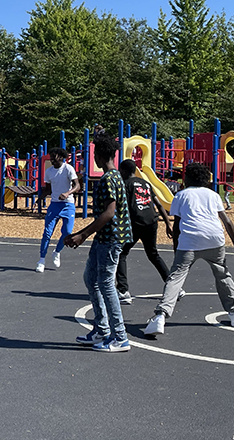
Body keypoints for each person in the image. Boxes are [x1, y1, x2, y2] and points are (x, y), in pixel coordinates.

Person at [143, 162, 234, 336]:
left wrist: (177, 249)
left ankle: (160, 316)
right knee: (222, 274)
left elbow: (177, 227)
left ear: (186, 178)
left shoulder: (181, 195)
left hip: (190, 241)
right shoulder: (213, 195)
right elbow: (227, 221)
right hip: (215, 240)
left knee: (175, 278)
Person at [65, 126, 133, 352]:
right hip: (106, 236)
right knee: (90, 277)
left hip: (111, 238)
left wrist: (83, 234)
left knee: (105, 283)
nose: (93, 157)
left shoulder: (108, 180)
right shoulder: (115, 177)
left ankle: (120, 336)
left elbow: (110, 212)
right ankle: (101, 329)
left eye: (95, 154)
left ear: (101, 156)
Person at [115, 159, 175, 303]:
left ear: (122, 171)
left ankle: (123, 291)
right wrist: (168, 224)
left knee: (121, 253)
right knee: (153, 254)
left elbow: (123, 207)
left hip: (136, 222)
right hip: (151, 221)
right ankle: (174, 287)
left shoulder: (125, 185)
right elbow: (159, 205)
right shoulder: (146, 184)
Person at [35, 147, 79, 273]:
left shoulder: (68, 169)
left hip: (68, 205)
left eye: (53, 158)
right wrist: (40, 198)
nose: (52, 161)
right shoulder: (49, 172)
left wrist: (67, 193)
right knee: (47, 233)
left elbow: (77, 185)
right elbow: (48, 189)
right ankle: (41, 260)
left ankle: (57, 251)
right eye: (51, 158)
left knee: (67, 232)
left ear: (61, 157)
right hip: (54, 204)